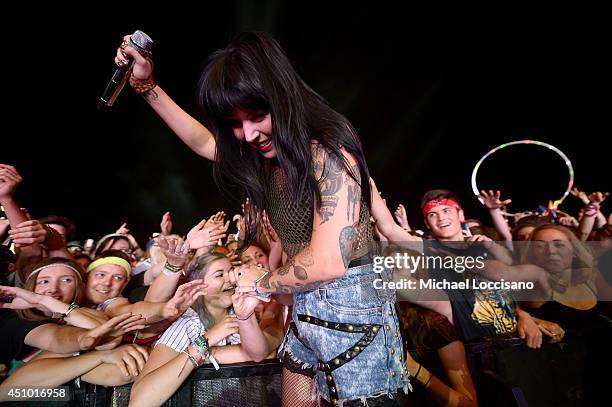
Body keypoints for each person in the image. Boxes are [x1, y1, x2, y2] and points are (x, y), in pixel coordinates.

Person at [116, 31, 407, 405]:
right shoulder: (266, 157)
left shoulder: (328, 151)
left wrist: (260, 283)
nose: (248, 134)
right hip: (306, 306)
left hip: (355, 310)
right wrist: (146, 86)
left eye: (256, 116)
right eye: (235, 123)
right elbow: (206, 143)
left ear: (282, 98)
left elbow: (328, 261)